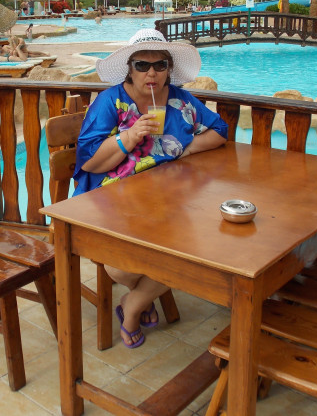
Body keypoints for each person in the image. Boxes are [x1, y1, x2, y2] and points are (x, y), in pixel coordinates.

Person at [73, 28, 228, 348]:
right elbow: (89, 162)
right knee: (120, 267)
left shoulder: (179, 100)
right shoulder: (111, 102)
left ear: (169, 68)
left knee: (196, 250)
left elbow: (219, 131)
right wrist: (129, 137)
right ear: (130, 69)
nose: (152, 73)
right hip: (113, 199)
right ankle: (143, 296)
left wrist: (186, 149)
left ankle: (133, 306)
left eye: (160, 65)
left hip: (165, 198)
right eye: (142, 65)